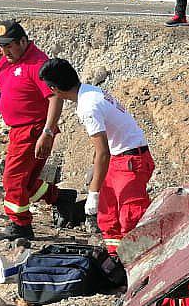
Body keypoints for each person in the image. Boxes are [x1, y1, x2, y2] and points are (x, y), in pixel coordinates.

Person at [37, 58, 153, 256]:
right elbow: (103, 145)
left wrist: (93, 193)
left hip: (131, 161)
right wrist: (96, 169)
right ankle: (116, 259)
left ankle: (142, 262)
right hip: (120, 157)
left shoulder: (87, 106)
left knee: (131, 218)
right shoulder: (90, 92)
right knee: (108, 216)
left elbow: (102, 152)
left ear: (54, 88)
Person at [0, 21, 80, 242]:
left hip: (32, 130)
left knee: (13, 179)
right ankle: (60, 197)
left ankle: (21, 225)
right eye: (1, 47)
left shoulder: (37, 63)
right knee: (26, 182)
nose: (5, 52)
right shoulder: (8, 61)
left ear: (23, 42)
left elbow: (55, 98)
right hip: (18, 130)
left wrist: (48, 131)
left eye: (9, 47)